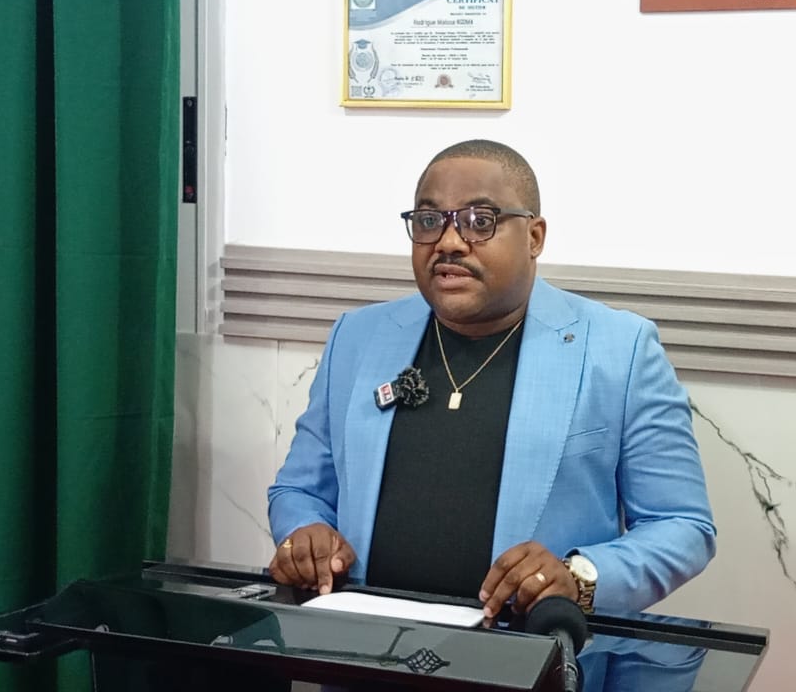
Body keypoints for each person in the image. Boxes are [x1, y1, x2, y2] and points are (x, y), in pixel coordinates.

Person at [267, 139, 715, 619]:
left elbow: (682, 525)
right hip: (364, 643)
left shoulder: (620, 350)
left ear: (534, 237)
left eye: (480, 221)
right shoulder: (358, 337)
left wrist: (581, 576)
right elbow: (299, 490)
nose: (449, 242)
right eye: (429, 220)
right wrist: (305, 533)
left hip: (526, 648)